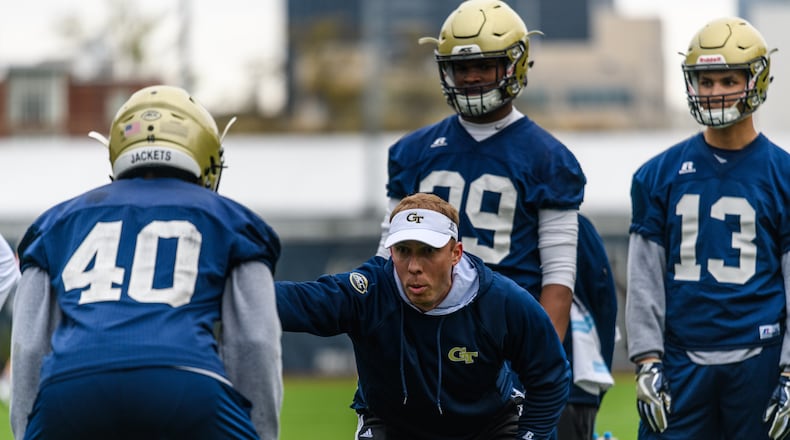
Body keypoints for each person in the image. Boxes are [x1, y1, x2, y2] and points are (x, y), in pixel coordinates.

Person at [375, 1, 604, 438]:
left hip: (506, 334)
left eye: (485, 65)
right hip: (428, 338)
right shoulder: (412, 152)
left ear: (515, 65)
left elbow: (558, 281)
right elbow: (390, 262)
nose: (472, 77)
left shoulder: (546, 157)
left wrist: (536, 362)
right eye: (461, 68)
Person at [10, 85, 283, 439]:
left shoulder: (55, 222)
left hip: (71, 387)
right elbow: (255, 342)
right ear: (207, 153)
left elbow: (29, 345)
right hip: (187, 381)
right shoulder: (232, 220)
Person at [277, 192, 570, 440]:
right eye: (403, 250)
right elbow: (297, 302)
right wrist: (234, 291)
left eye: (428, 251)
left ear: (455, 253)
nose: (414, 265)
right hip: (391, 425)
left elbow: (550, 374)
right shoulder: (369, 293)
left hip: (488, 425)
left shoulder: (501, 300)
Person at [626, 17, 790, 439]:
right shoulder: (657, 175)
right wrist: (647, 361)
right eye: (706, 80)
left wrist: (789, 372)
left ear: (756, 80)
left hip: (761, 359)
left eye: (727, 80)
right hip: (681, 362)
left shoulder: (783, 174)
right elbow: (644, 279)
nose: (715, 91)